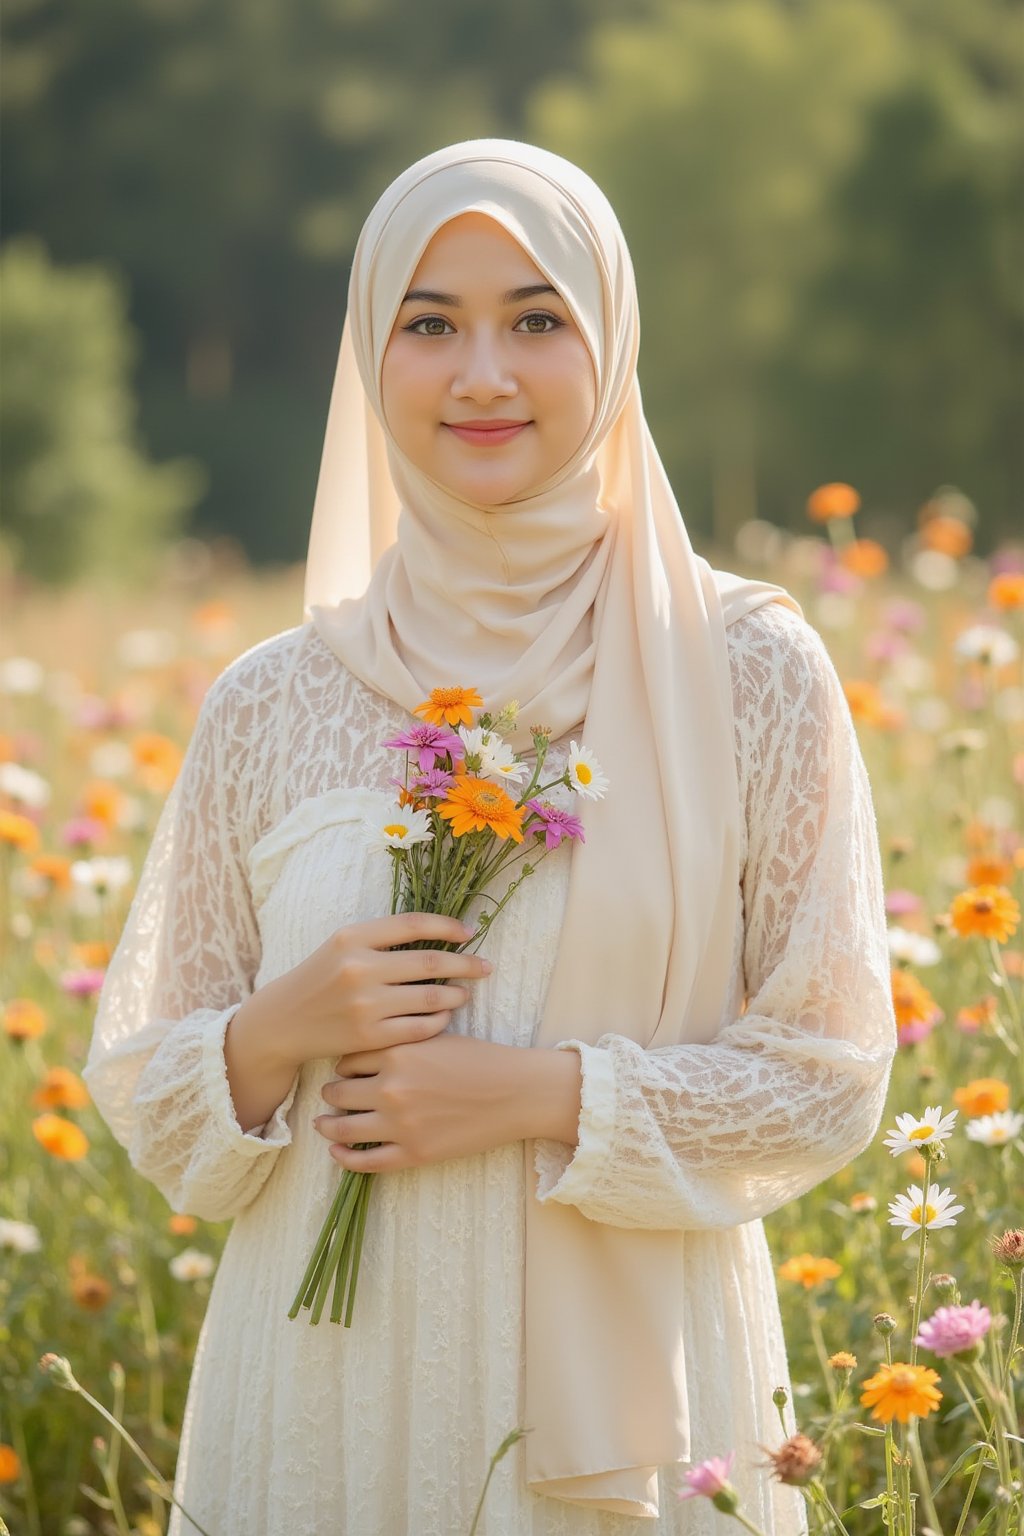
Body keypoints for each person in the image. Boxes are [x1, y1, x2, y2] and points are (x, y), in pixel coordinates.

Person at [84, 139, 897, 1534]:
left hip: (643, 1423)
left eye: (536, 320)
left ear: (612, 342)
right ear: (368, 353)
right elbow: (148, 1086)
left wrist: (537, 1097)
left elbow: (828, 1075)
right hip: (320, 1393)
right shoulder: (274, 699)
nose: (481, 375)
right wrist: (279, 1028)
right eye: (430, 323)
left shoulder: (745, 667)